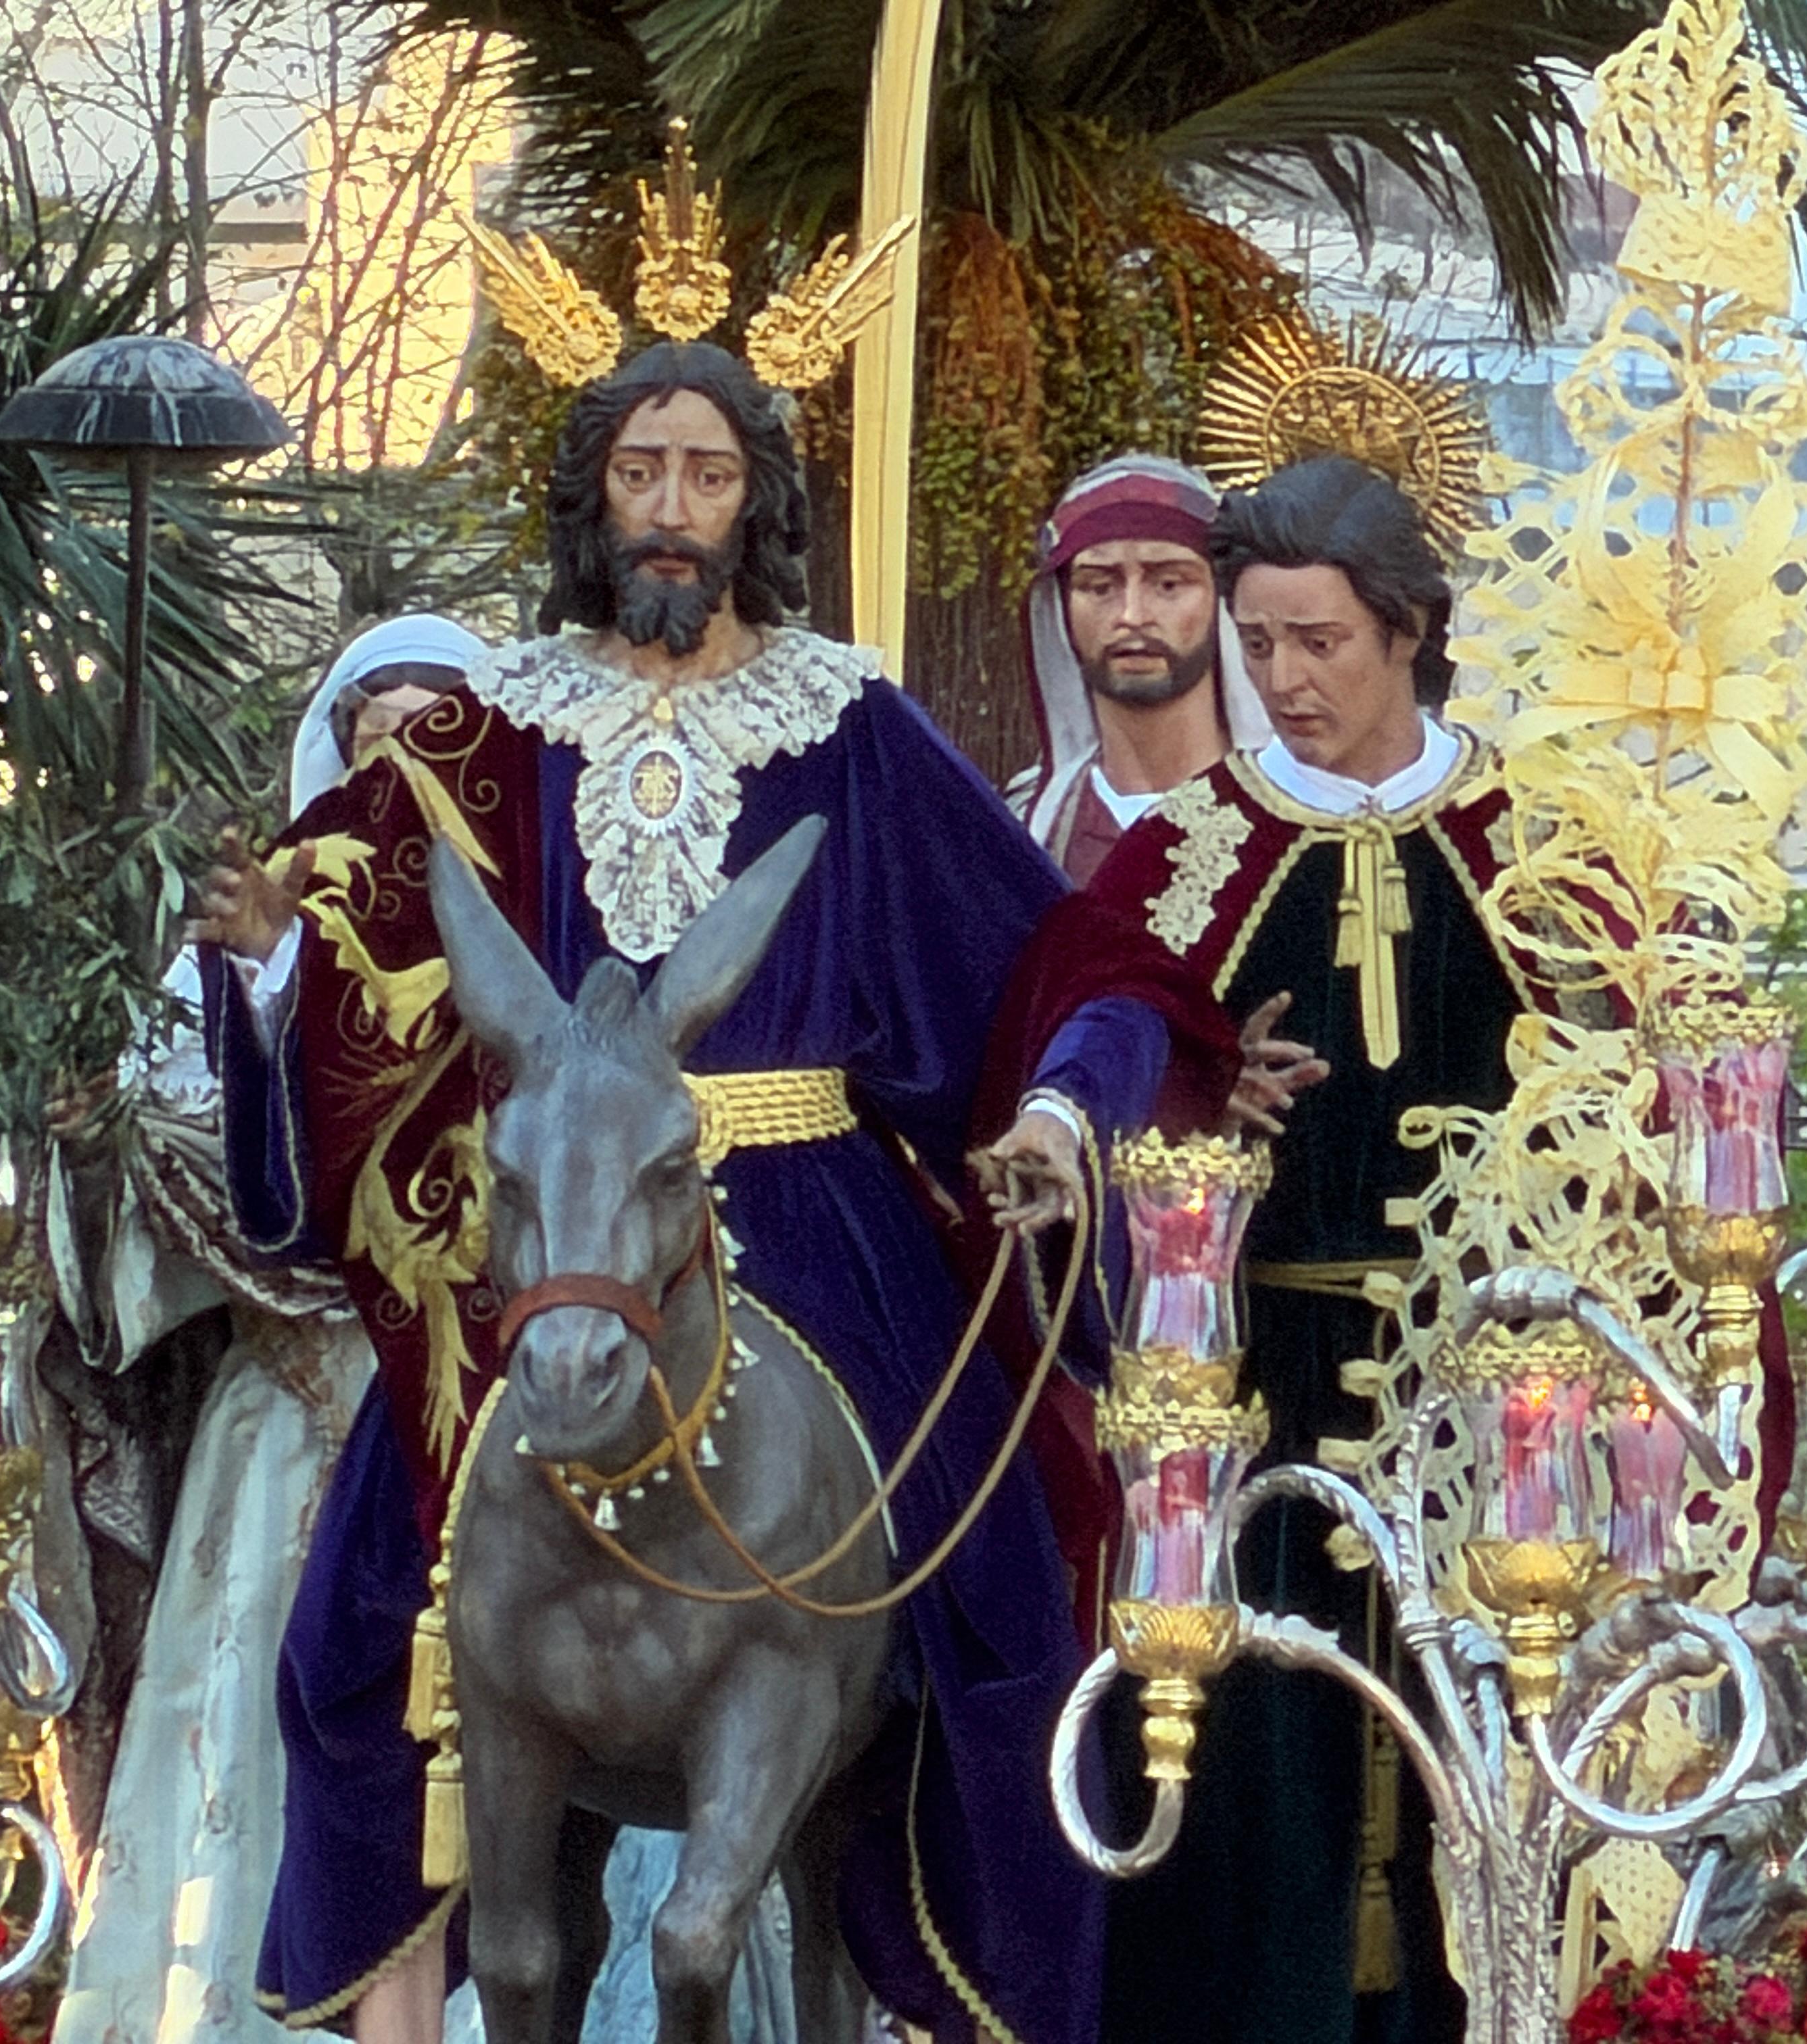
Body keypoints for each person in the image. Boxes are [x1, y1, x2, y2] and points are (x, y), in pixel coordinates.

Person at [195, 339, 1103, 2044]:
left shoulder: (852, 725)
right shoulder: (495, 727)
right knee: (365, 1619)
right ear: (592, 501)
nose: (672, 511)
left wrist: (1079, 1094)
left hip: (815, 1220)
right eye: (639, 474)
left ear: (758, 501)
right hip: (562, 1229)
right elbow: (363, 951)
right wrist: (270, 964)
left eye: (707, 474)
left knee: (993, 1601)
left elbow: (1039, 953)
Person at [979, 456, 1612, 2044]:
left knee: (1499, 1803)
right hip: (1258, 1419)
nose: (1282, 680)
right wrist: (1156, 1101)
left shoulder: (1537, 836)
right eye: (1257, 643)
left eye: (1318, 642)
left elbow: (1650, 1082)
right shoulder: (1199, 847)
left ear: (1408, 631)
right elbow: (1102, 1018)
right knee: (1256, 1819)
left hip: (1491, 1423)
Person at [50, 616, 480, 2044]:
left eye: (434, 738)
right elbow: (240, 1184)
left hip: (470, 1427)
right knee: (263, 1719)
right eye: (375, 740)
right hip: (289, 1425)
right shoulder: (250, 934)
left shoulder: (525, 928)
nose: (400, 769)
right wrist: (96, 1131)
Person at [1009, 456, 1272, 885]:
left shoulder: (1300, 819)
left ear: (1222, 601)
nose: (1132, 616)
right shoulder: (1024, 834)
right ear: (1061, 610)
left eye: (1168, 584)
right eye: (1100, 586)